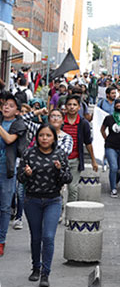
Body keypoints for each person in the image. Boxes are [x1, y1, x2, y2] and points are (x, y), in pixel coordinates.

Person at [18, 124, 72, 287]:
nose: (44, 138)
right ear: (37, 137)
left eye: (48, 136)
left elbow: (68, 178)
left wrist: (59, 169)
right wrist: (26, 174)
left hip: (53, 200)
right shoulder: (29, 153)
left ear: (53, 138)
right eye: (41, 135)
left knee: (48, 236)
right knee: (36, 237)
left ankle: (45, 274)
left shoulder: (60, 154)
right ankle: (36, 267)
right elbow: (20, 178)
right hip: (32, 200)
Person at [0, 94, 27, 256]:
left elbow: (9, 140)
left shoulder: (19, 125)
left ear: (17, 111)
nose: (6, 107)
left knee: (4, 207)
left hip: (7, 169)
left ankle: (1, 240)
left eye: (10, 105)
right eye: (4, 105)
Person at [63, 95, 98, 203]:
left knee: (73, 189)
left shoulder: (83, 123)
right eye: (69, 104)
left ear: (79, 107)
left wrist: (93, 160)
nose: (72, 107)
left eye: (74, 105)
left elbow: (88, 143)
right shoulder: (60, 121)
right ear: (65, 107)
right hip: (59, 160)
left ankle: (71, 214)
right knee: (58, 189)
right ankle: (59, 212)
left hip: (75, 160)